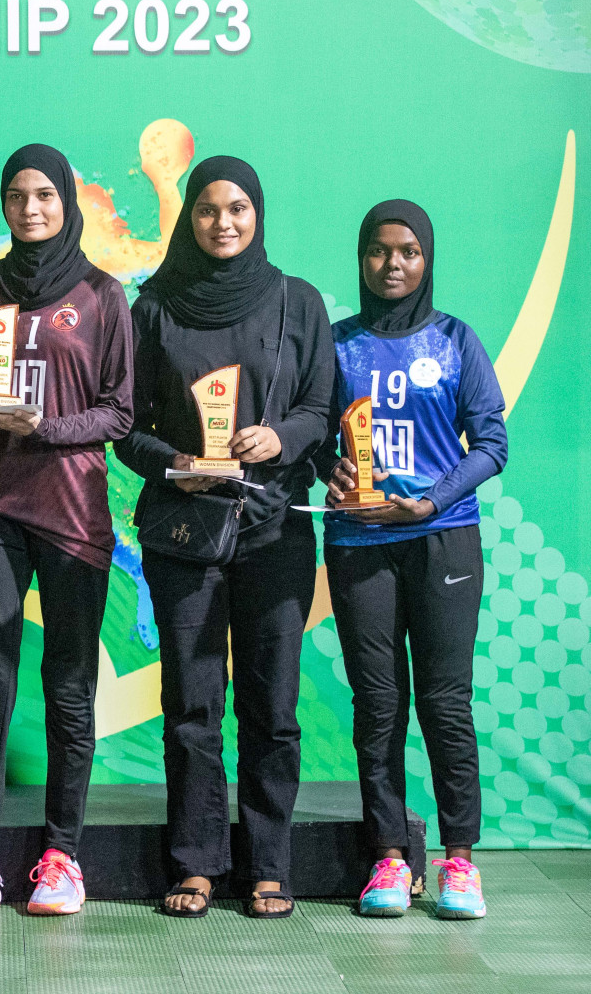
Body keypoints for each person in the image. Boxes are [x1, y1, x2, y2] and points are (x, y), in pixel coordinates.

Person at [114, 156, 335, 919]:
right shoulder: (155, 308)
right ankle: (196, 863)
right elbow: (127, 431)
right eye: (208, 210)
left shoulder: (296, 303)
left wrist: (279, 440)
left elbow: (321, 407)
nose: (224, 223)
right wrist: (174, 463)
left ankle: (268, 863)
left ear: (258, 213)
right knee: (192, 705)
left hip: (273, 531)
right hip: (182, 532)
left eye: (238, 208)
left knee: (272, 706)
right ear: (190, 218)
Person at [0, 144, 134, 920]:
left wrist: (46, 427)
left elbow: (120, 411)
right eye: (17, 195)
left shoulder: (102, 294)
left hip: (75, 513)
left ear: (67, 202)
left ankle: (63, 855)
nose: (30, 209)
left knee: (68, 686)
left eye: (45, 195)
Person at [320, 200, 505, 920]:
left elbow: (491, 442)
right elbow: (311, 438)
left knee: (444, 703)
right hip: (359, 544)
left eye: (407, 252)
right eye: (377, 251)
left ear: (426, 259)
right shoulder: (337, 346)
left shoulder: (456, 340)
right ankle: (390, 858)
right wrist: (326, 473)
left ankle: (460, 860)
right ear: (361, 257)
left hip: (442, 539)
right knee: (378, 705)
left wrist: (432, 501)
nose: (392, 265)